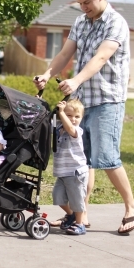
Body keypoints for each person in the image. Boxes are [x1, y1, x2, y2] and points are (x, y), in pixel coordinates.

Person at [34, 0, 134, 234]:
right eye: (81, 3)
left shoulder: (116, 23)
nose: (84, 7)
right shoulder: (80, 22)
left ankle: (132, 207)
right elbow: (64, 54)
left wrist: (75, 80)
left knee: (106, 156)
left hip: (108, 100)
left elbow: (101, 57)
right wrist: (47, 74)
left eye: (87, 2)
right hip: (82, 103)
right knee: (81, 162)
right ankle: (80, 215)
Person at [52, 98, 89, 235]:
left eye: (77, 116)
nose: (73, 119)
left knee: (77, 199)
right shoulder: (59, 129)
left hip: (75, 172)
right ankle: (71, 215)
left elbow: (70, 128)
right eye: (69, 115)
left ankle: (80, 224)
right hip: (62, 172)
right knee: (58, 197)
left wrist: (62, 113)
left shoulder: (77, 131)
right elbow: (44, 123)